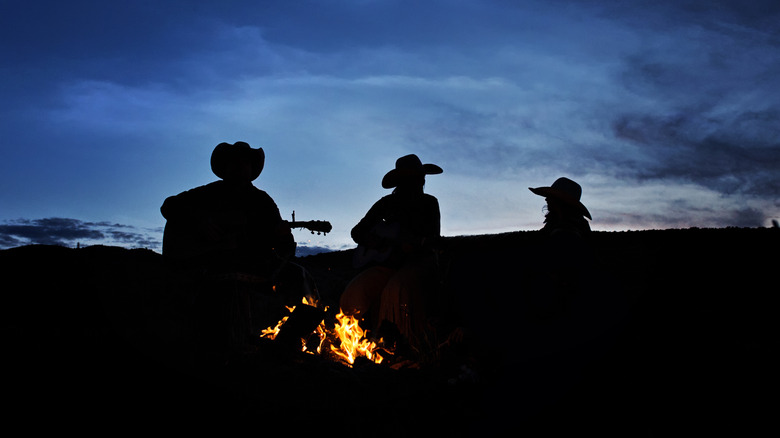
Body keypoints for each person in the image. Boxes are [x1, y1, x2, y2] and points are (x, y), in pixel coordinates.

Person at [160, 141, 306, 360]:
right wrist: (199, 222)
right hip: (211, 261)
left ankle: (289, 341)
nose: (239, 167)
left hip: (252, 262)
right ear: (225, 167)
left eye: (244, 162)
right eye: (234, 162)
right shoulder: (208, 193)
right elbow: (169, 205)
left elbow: (284, 248)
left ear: (251, 168)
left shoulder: (263, 202)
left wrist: (284, 236)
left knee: (299, 276)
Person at [339, 154, 443, 349]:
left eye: (421, 177)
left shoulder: (429, 203)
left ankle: (399, 345)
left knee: (396, 289)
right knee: (354, 292)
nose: (421, 181)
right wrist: (375, 242)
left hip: (419, 263)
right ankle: (353, 341)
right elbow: (357, 231)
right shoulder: (385, 204)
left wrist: (414, 245)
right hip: (387, 265)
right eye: (417, 177)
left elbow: (432, 240)